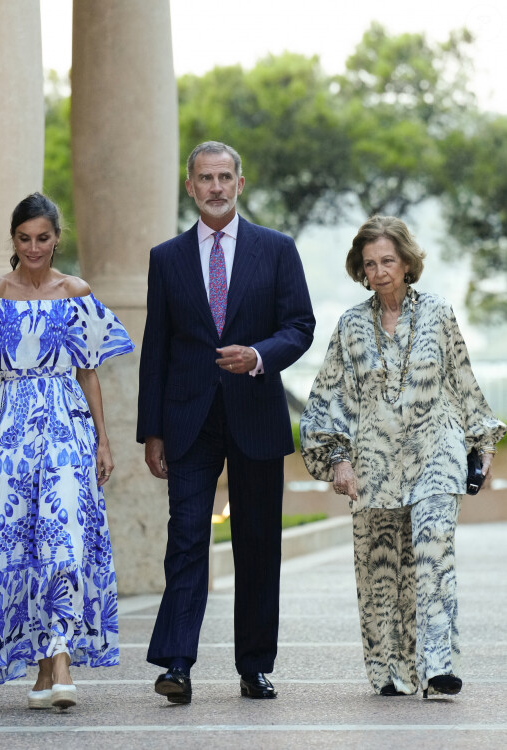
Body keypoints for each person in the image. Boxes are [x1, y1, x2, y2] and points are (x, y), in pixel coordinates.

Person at [0, 193, 134, 710]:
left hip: (67, 422)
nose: (34, 247)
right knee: (14, 541)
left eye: (43, 238)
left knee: (63, 534)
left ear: (56, 238)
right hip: (12, 427)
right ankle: (43, 667)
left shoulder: (77, 292)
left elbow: (89, 368)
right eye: (25, 238)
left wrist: (103, 439)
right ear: (14, 240)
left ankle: (61, 657)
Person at [137, 141, 315, 703]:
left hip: (256, 414)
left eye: (224, 177)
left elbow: (300, 324)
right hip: (188, 420)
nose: (215, 187)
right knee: (186, 539)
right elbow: (156, 348)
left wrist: (259, 355)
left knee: (258, 543)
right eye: (204, 178)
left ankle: (255, 666)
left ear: (241, 183)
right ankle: (176, 665)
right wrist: (153, 430)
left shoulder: (277, 249)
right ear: (189, 187)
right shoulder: (166, 258)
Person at [300, 215, 506, 698]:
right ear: (361, 269)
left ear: (408, 262)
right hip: (373, 464)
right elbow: (329, 396)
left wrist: (483, 443)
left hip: (436, 451)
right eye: (369, 264)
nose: (379, 271)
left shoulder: (438, 313)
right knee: (382, 569)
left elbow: (462, 381)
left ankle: (437, 668)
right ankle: (391, 670)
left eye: (388, 260)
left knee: (434, 558)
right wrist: (338, 459)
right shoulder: (351, 325)